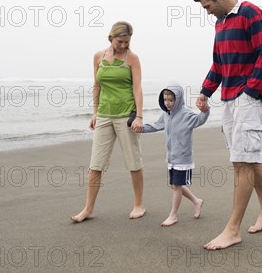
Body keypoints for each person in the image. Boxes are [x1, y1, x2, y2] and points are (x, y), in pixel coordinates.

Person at [193, 0, 262, 250]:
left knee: (242, 162)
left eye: (207, 6)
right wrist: (206, 91)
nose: (207, 12)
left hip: (249, 97)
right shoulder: (221, 23)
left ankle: (232, 230)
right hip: (230, 98)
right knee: (247, 159)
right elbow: (218, 63)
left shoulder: (250, 12)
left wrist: (250, 92)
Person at [71, 21, 145, 222]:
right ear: (111, 37)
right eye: (120, 41)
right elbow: (97, 86)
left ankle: (138, 204)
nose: (123, 45)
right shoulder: (98, 57)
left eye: (127, 42)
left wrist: (139, 116)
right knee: (96, 164)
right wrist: (95, 113)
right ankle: (88, 209)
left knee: (133, 161)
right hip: (104, 115)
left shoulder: (132, 59)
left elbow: (137, 88)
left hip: (125, 116)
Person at [134, 84, 209, 226]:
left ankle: (173, 215)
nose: (167, 103)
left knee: (176, 186)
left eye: (170, 100)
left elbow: (200, 119)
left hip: (183, 158)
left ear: (178, 99)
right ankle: (196, 201)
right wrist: (141, 129)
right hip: (171, 157)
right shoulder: (166, 115)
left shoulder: (186, 114)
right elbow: (156, 125)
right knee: (174, 185)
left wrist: (205, 111)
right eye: (165, 99)